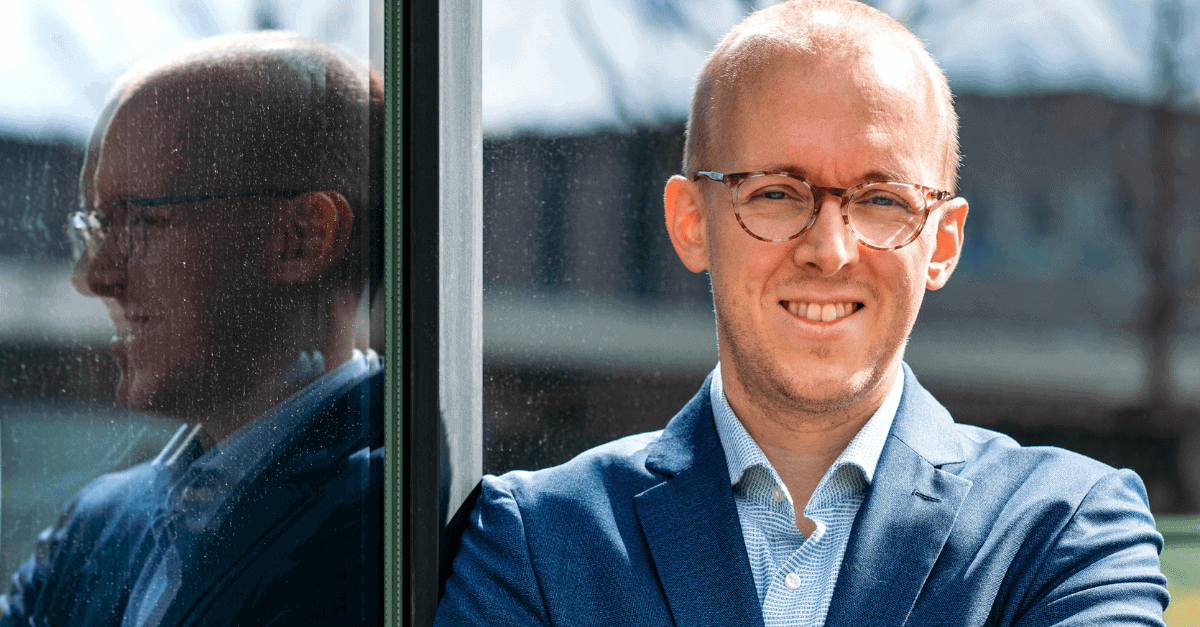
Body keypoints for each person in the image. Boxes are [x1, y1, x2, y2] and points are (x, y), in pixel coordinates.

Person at [436, 1, 1170, 625]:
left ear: (942, 242)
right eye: (776, 192)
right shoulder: (534, 540)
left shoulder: (1066, 531)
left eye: (882, 199)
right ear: (691, 221)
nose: (830, 249)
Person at [0, 32, 383, 626]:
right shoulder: (101, 523)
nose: (95, 275)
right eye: (97, 229)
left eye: (139, 223)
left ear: (303, 238)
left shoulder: (394, 525)